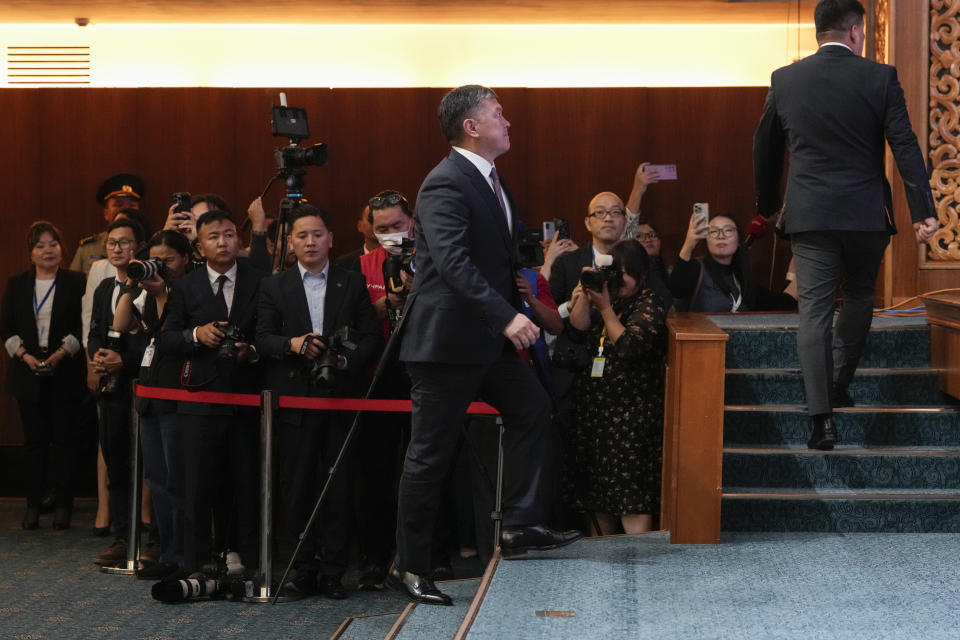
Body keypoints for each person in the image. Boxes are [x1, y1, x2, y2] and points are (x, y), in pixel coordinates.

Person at [388, 84, 581, 607]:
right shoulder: (445, 183)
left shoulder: (491, 179)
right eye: (498, 114)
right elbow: (452, 266)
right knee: (429, 455)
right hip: (447, 342)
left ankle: (519, 525)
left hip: (484, 338)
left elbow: (496, 253)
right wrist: (506, 318)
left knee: (534, 409)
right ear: (471, 127)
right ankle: (410, 565)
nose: (508, 122)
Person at [753, 0, 937, 450]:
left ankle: (822, 420)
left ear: (819, 32)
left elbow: (764, 150)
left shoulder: (785, 79)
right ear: (856, 31)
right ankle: (838, 382)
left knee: (812, 311)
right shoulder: (880, 77)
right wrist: (923, 210)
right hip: (865, 215)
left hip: (811, 215)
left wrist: (768, 205)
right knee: (858, 296)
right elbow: (906, 146)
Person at [257, 203, 380, 598]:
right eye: (301, 236)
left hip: (340, 396)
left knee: (339, 487)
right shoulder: (273, 286)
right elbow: (261, 338)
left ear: (330, 238)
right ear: (290, 243)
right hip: (294, 401)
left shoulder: (352, 281)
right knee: (297, 488)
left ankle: (333, 571)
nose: (310, 242)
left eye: (317, 234)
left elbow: (370, 337)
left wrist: (344, 358)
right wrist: (292, 344)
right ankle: (300, 569)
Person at [159, 210, 265, 574]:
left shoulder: (260, 280)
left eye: (230, 234)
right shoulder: (186, 286)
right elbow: (167, 338)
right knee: (197, 485)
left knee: (247, 483)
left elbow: (271, 332)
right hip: (200, 400)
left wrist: (250, 350)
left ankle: (248, 561)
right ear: (199, 247)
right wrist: (196, 335)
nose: (223, 242)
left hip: (247, 398)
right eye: (214, 237)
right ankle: (196, 562)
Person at [563, 239, 667, 535]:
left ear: (642, 275)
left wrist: (606, 308)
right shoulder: (605, 297)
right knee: (598, 497)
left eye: (624, 274)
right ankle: (601, 573)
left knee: (631, 498)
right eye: (613, 274)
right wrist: (586, 292)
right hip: (596, 415)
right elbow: (577, 329)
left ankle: (641, 570)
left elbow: (630, 346)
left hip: (631, 419)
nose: (617, 281)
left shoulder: (650, 302)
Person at [112, 230, 194, 579]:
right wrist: (134, 283)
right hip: (149, 396)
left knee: (177, 478)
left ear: (186, 260)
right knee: (156, 478)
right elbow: (119, 325)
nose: (159, 266)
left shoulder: (187, 293)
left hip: (176, 395)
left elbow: (165, 331)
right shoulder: (144, 291)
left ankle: (182, 554)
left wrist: (160, 289)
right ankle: (166, 549)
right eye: (154, 260)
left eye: (167, 260)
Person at [2, 222, 86, 530]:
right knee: (34, 443)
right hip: (26, 373)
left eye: (53, 244)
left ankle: (64, 505)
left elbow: (84, 325)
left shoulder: (77, 282)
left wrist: (60, 354)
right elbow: (6, 328)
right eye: (40, 245)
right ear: (30, 253)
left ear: (62, 249)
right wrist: (24, 355)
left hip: (65, 370)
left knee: (64, 441)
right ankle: (33, 505)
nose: (48, 250)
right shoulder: (17, 283)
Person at [88, 218, 149, 566]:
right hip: (110, 389)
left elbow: (150, 341)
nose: (116, 248)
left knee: (150, 467)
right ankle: (123, 538)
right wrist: (97, 356)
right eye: (111, 242)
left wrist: (121, 361)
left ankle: (153, 539)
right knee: (116, 463)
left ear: (138, 246)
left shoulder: (149, 285)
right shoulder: (103, 287)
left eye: (124, 242)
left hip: (140, 383)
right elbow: (95, 331)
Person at [668, 213, 796, 312]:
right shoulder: (696, 268)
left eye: (728, 230)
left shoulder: (741, 278)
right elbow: (675, 290)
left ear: (739, 240)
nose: (721, 235)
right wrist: (689, 245)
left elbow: (784, 303)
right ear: (705, 240)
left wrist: (799, 268)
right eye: (713, 231)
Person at [71, 173, 145, 275]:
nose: (125, 209)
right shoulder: (88, 249)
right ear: (106, 213)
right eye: (118, 204)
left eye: (131, 205)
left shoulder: (148, 245)